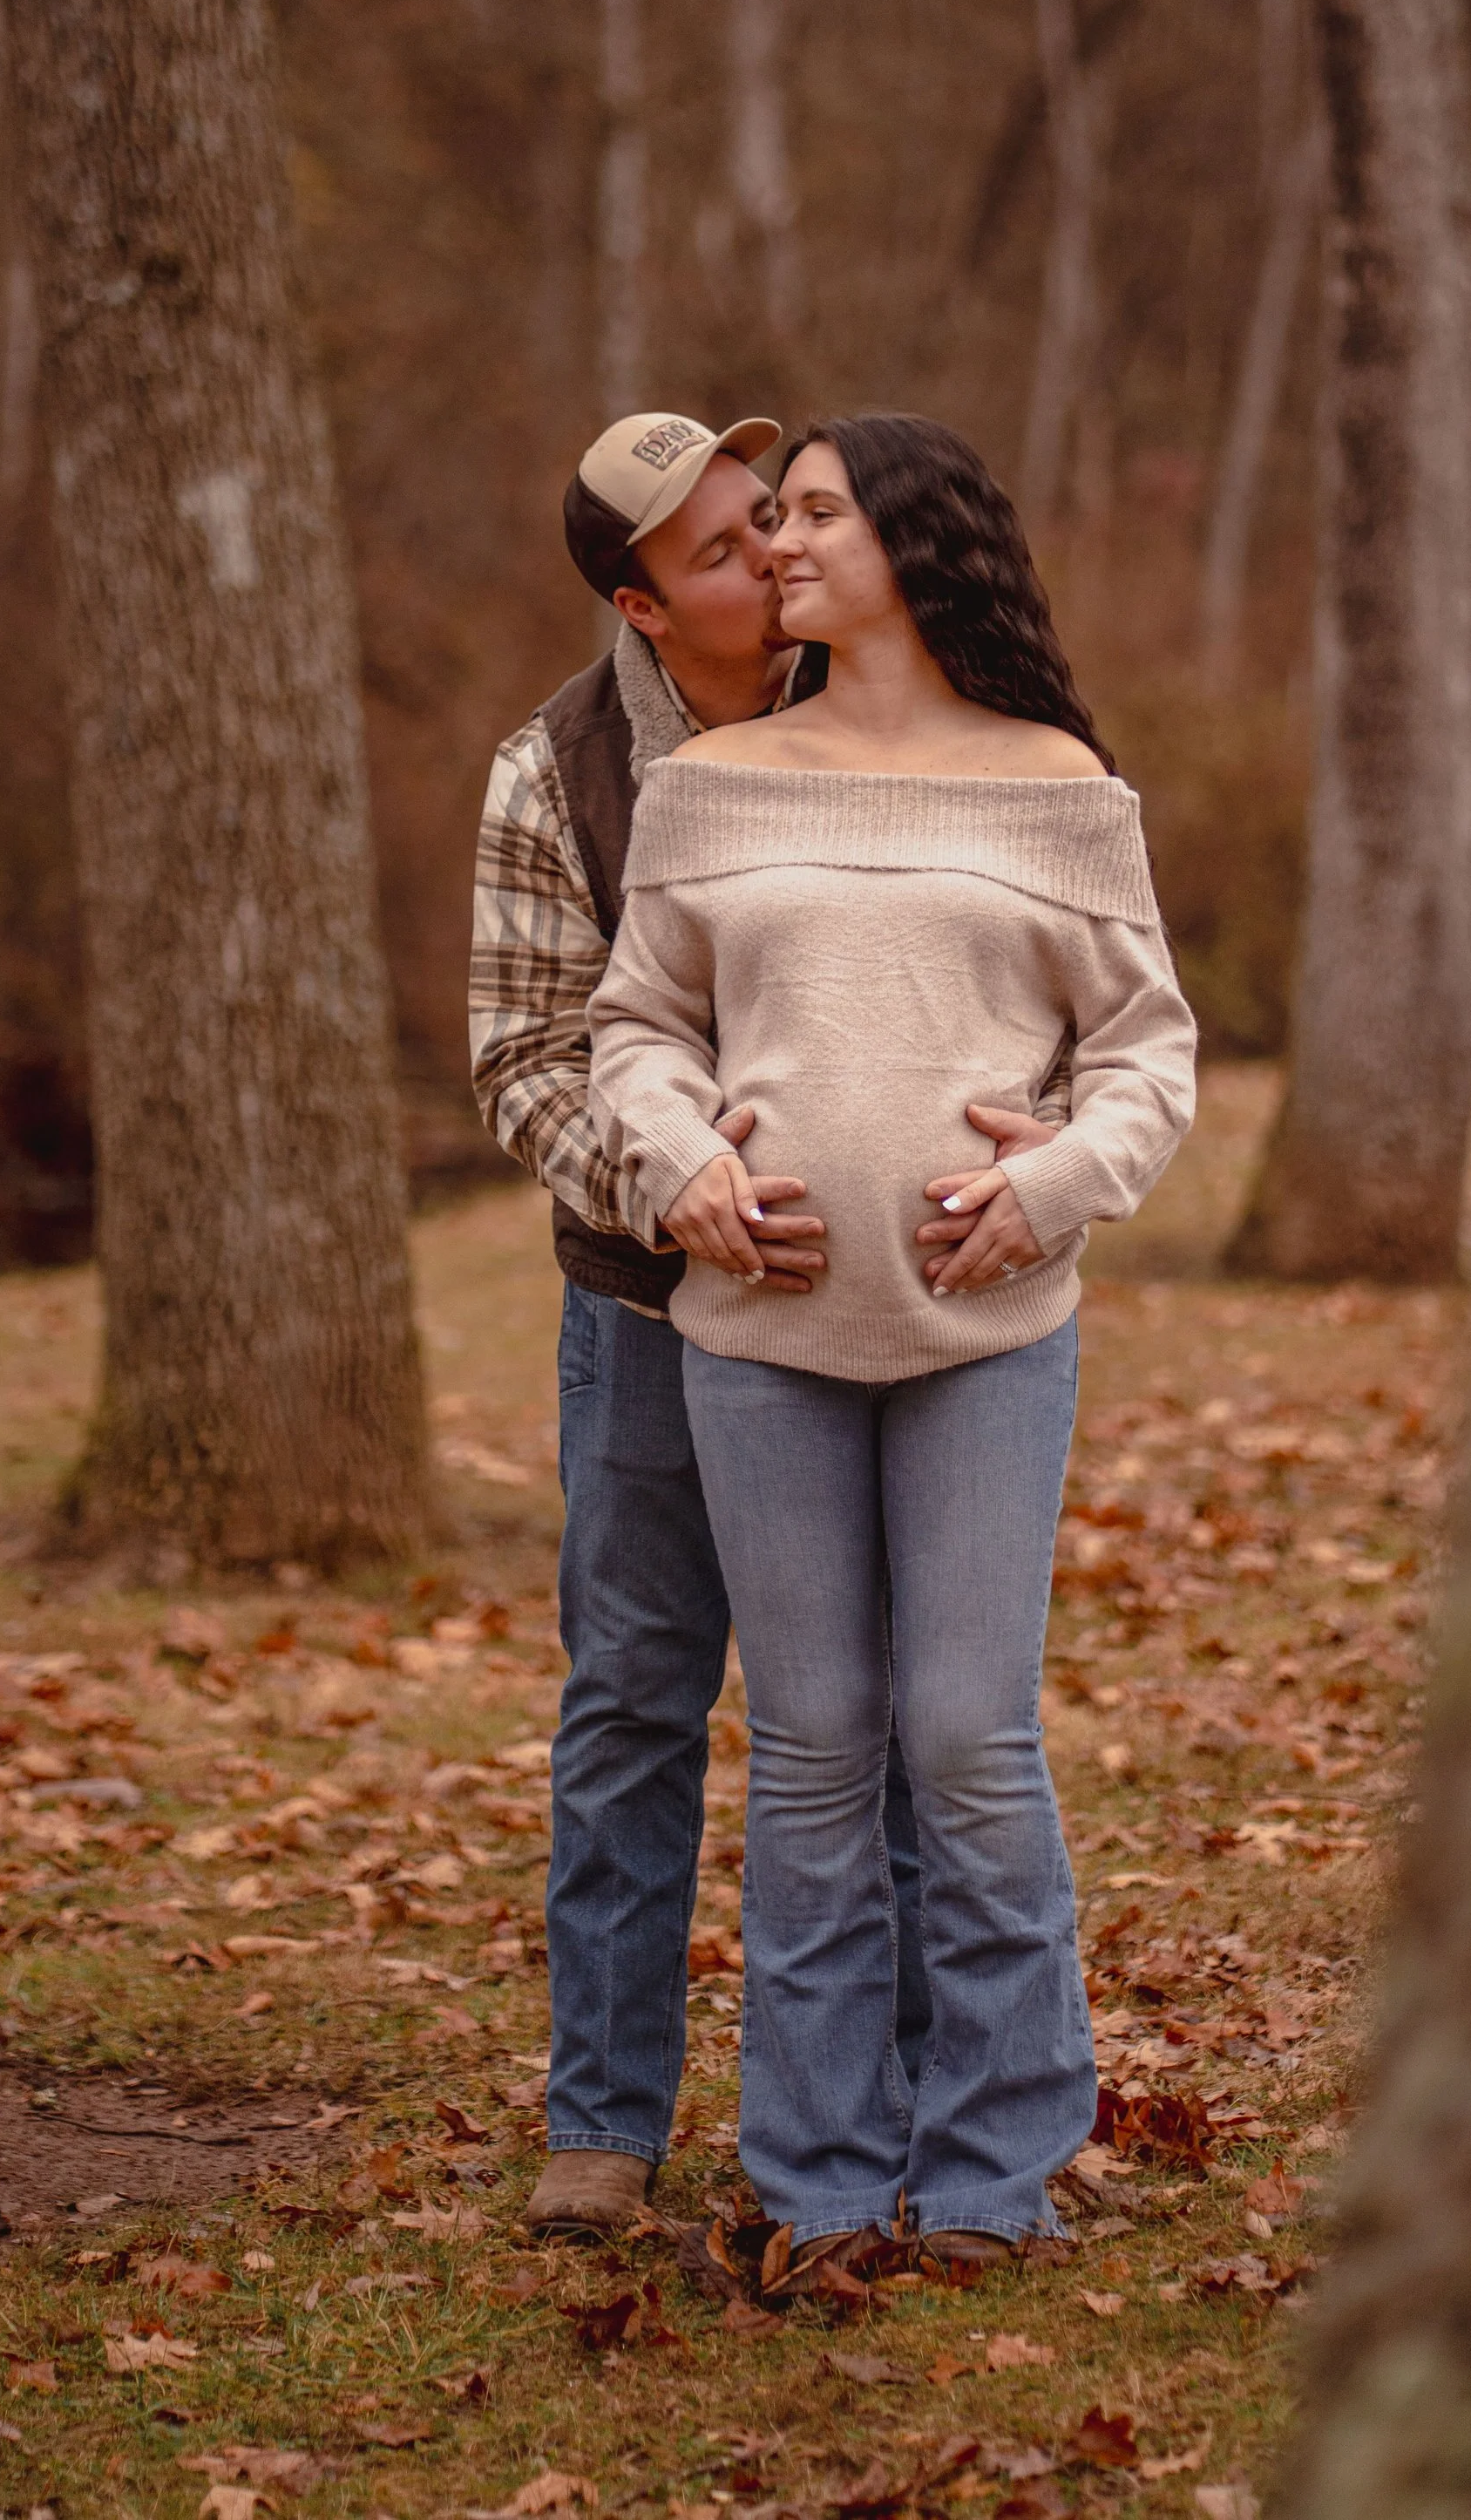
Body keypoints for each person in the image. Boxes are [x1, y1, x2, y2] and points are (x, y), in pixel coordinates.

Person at [587, 412, 1196, 2261]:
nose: (776, 544)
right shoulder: (712, 784)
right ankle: (824, 2176)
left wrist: (1060, 1181)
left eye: (814, 516)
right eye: (768, 523)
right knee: (816, 1749)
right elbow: (636, 1030)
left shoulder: (1059, 787)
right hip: (756, 1331)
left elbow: (1146, 1054)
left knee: (967, 1742)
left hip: (988, 1329)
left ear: (916, 549)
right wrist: (681, 1163)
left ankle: (997, 2173)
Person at [472, 411, 1012, 2235]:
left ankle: (939, 2119)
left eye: (769, 518)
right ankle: (605, 2122)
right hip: (647, 1313)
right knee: (638, 1694)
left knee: (899, 1712)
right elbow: (527, 1058)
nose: (770, 557)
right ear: (641, 604)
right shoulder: (553, 775)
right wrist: (672, 1185)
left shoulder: (882, 700)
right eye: (722, 549)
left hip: (882, 1322)